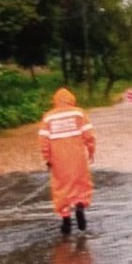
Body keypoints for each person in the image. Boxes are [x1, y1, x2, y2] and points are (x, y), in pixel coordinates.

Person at [38, 88, 96, 235]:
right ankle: (80, 205)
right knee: (81, 183)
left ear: (55, 101)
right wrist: (91, 151)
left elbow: (43, 141)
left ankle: (65, 219)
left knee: (60, 187)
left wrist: (47, 158)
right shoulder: (79, 113)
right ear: (72, 99)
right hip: (78, 158)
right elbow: (89, 135)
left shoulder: (48, 117)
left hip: (58, 160)